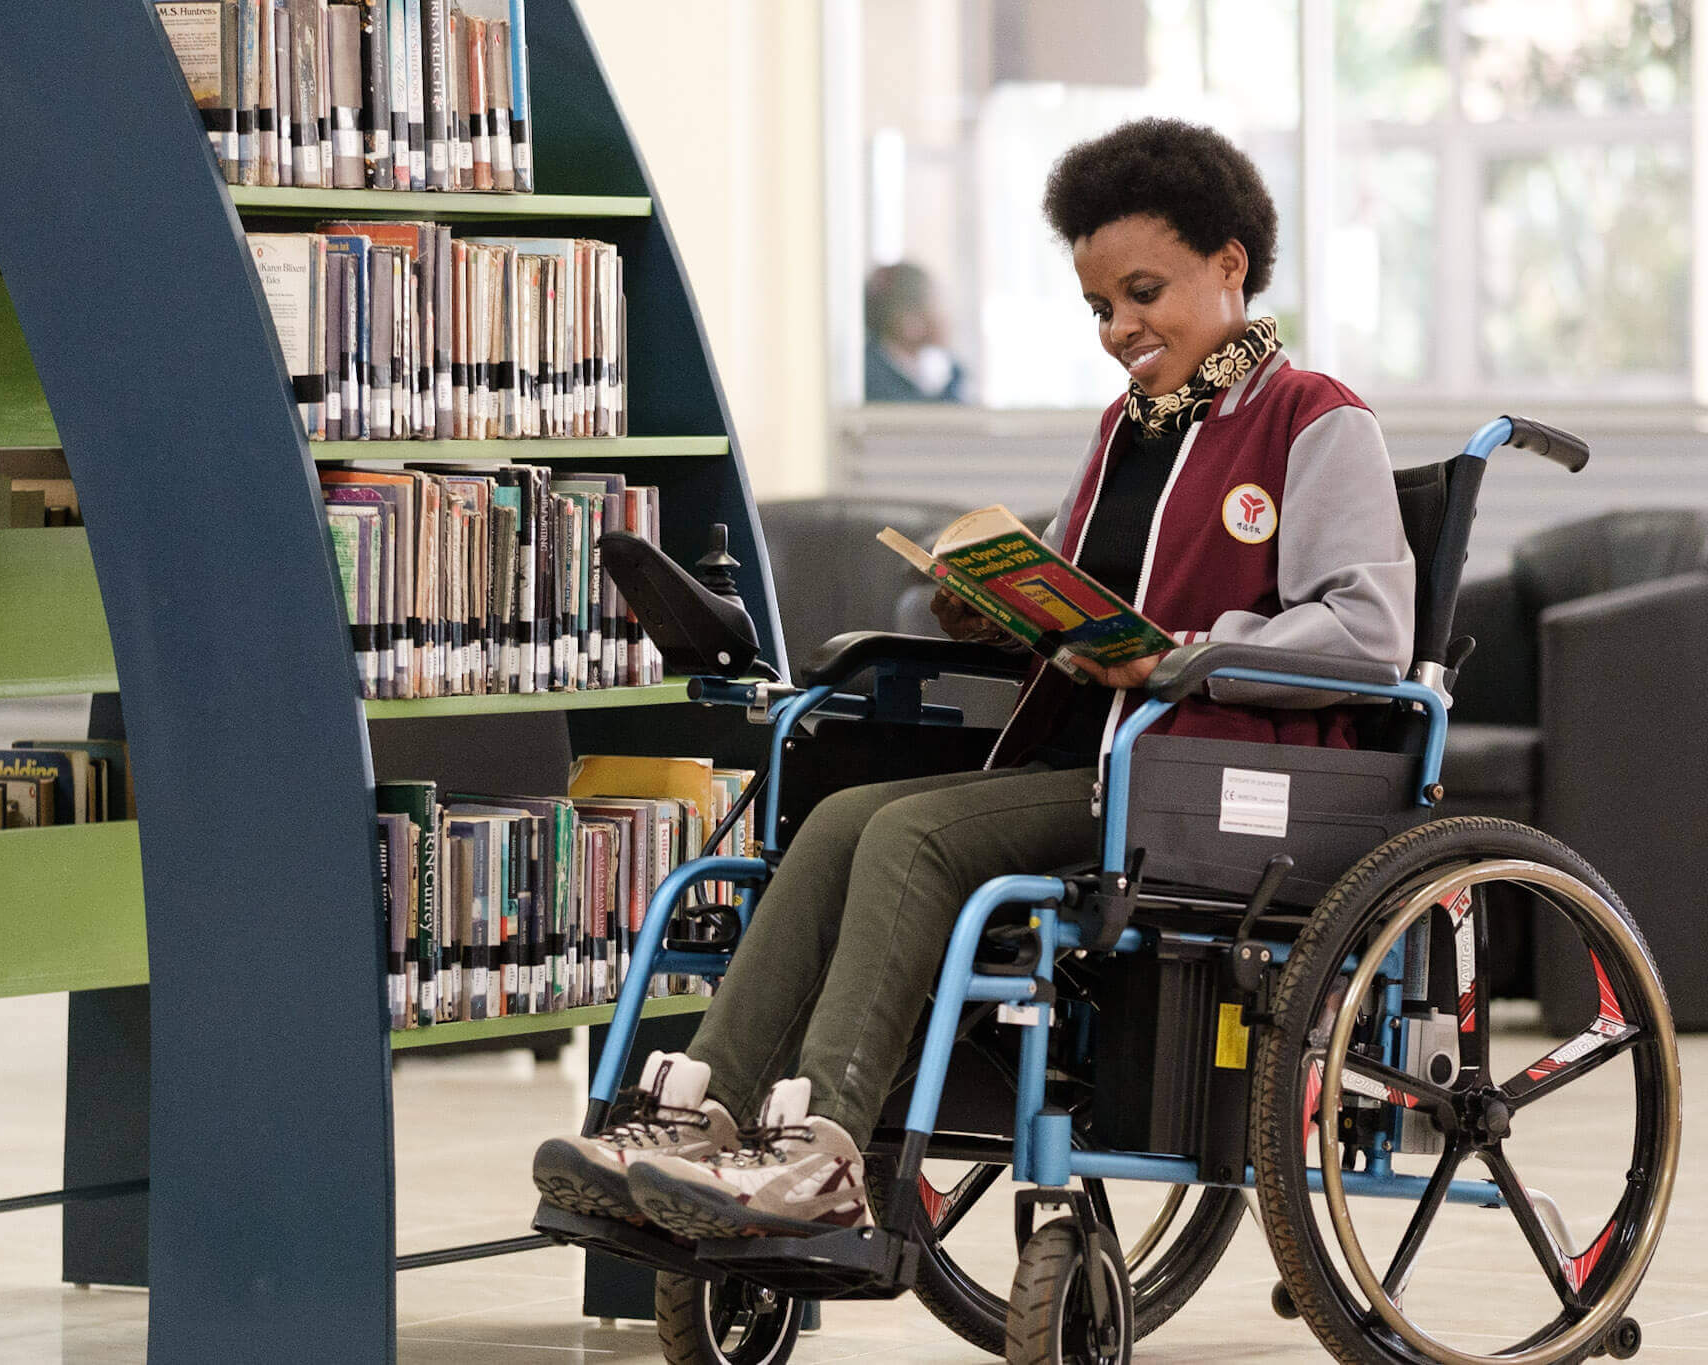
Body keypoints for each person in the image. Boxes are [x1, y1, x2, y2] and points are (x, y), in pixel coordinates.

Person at [531, 118, 1415, 1238]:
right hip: (1096, 768)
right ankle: (693, 1117)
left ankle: (822, 1148)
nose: (1119, 328)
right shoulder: (1128, 431)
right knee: (838, 819)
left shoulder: (1313, 421)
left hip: (1210, 785)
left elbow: (1367, 631)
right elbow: (1083, 605)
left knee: (908, 838)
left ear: (1229, 264)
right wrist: (994, 611)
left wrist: (1178, 655)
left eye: (1142, 293)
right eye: (1100, 306)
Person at [864, 261, 967, 403]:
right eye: (937, 304)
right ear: (909, 321)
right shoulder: (871, 380)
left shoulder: (949, 373)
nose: (947, 316)